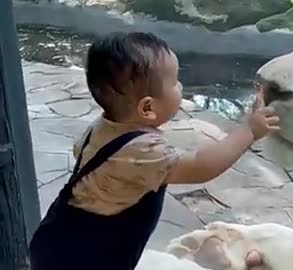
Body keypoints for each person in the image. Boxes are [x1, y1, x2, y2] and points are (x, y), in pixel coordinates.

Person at [29, 32, 279, 270]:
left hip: (55, 238)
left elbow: (82, 156)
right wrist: (249, 130)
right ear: (147, 108)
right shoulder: (144, 152)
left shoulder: (101, 127)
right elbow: (202, 166)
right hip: (87, 258)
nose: (181, 87)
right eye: (175, 82)